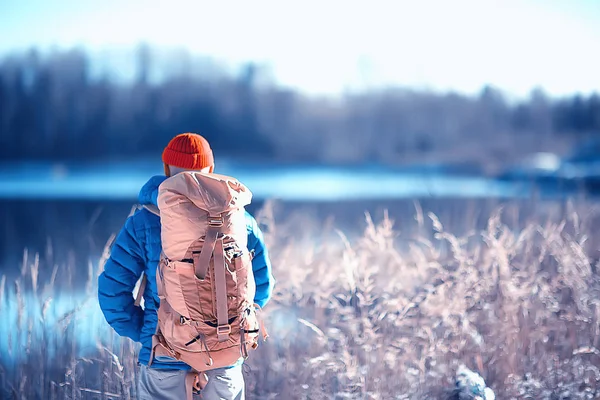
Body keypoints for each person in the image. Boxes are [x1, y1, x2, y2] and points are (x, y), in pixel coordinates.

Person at [98, 133, 274, 400]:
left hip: (165, 353)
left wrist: (147, 331)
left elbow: (112, 294)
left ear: (167, 169)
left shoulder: (143, 222)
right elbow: (262, 286)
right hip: (225, 353)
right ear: (211, 170)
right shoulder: (240, 220)